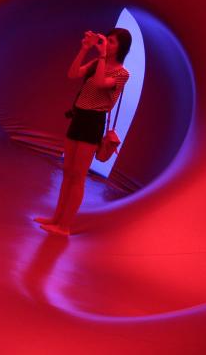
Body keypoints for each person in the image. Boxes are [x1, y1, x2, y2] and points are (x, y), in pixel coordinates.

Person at [34, 27, 132, 236]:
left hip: (93, 121)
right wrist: (84, 49)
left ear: (121, 48)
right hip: (78, 117)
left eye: (112, 42)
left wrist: (103, 55)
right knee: (68, 172)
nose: (107, 44)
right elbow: (72, 74)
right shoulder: (97, 63)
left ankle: (65, 226)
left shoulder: (122, 73)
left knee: (78, 176)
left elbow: (99, 84)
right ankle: (56, 218)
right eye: (108, 40)